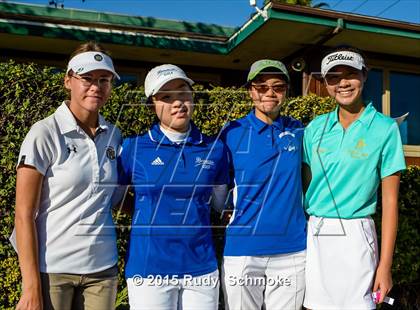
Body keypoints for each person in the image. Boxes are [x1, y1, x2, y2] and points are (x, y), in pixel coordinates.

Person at [14, 41, 121, 310]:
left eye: (104, 79)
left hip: (102, 270)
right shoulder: (44, 132)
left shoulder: (115, 135)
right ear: (68, 81)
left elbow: (114, 198)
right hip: (53, 271)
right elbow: (24, 214)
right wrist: (31, 288)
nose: (96, 86)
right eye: (87, 78)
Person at [118, 64, 229, 310]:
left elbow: (221, 205)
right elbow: (116, 199)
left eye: (183, 93)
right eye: (166, 97)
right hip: (149, 270)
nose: (177, 102)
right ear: (152, 105)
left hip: (201, 268)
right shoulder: (133, 148)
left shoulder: (216, 149)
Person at [302, 47, 406, 309]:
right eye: (333, 77)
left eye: (350, 74)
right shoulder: (315, 128)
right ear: (325, 84)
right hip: (315, 233)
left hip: (357, 235)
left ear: (365, 75)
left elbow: (390, 204)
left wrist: (385, 266)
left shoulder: (385, 128)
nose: (343, 83)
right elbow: (305, 187)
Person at [221, 59, 307, 310]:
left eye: (278, 87)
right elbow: (217, 184)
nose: (270, 93)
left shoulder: (299, 131)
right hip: (243, 250)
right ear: (250, 90)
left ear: (286, 92)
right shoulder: (231, 132)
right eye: (261, 86)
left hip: (292, 250)